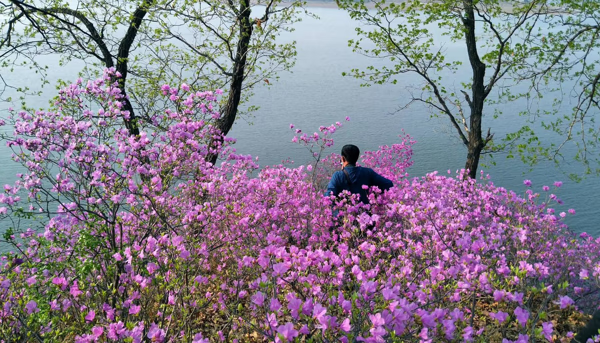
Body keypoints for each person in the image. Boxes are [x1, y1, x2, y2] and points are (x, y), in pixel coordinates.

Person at [325, 144, 393, 204]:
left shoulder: (338, 175)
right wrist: (374, 194)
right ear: (357, 158)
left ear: (342, 158)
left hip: (344, 216)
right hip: (364, 215)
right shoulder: (367, 172)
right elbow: (388, 184)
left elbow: (328, 196)